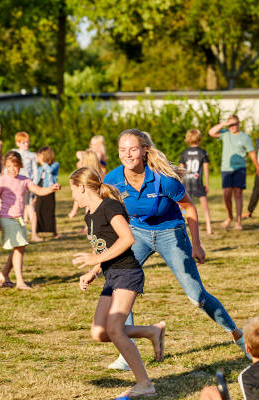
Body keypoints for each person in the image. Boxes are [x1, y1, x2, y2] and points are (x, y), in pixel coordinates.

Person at [104, 129, 250, 371]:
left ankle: (238, 335)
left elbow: (189, 209)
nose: (127, 154)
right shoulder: (113, 179)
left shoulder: (164, 179)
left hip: (170, 232)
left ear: (144, 150)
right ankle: (126, 350)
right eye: (122, 150)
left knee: (197, 297)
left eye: (132, 149)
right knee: (120, 287)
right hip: (137, 233)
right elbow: (110, 212)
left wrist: (196, 244)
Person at [70, 167, 165, 398]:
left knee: (114, 329)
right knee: (99, 332)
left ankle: (145, 384)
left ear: (82, 187)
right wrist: (94, 271)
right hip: (112, 275)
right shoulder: (89, 215)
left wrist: (95, 259)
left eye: (73, 190)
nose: (72, 196)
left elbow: (127, 238)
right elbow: (104, 248)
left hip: (127, 273)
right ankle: (152, 331)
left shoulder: (109, 207)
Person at [0, 151, 60, 289]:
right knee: (19, 248)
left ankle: (3, 275)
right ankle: (20, 282)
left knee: (18, 248)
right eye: (8, 166)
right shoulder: (2, 180)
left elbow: (39, 191)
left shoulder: (24, 180)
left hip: (19, 219)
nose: (11, 169)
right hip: (7, 218)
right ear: (4, 166)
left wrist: (51, 188)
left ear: (20, 165)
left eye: (14, 166)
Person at [208, 115, 258, 230]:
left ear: (239, 124)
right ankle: (229, 216)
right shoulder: (225, 134)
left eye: (234, 124)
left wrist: (257, 168)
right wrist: (225, 124)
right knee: (226, 195)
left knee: (238, 194)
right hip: (226, 169)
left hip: (240, 168)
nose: (232, 127)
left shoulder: (245, 137)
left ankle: (238, 221)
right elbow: (211, 132)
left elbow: (252, 153)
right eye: (230, 124)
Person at [178, 128, 212, 234]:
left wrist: (179, 183)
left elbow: (180, 170)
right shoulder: (202, 152)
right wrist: (207, 183)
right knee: (205, 207)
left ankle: (179, 226)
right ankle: (209, 228)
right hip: (198, 183)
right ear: (199, 138)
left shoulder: (184, 153)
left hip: (187, 183)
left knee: (181, 206)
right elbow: (206, 170)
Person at [11, 131, 40, 241]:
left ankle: (34, 234)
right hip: (15, 184)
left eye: (27, 142)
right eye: (23, 142)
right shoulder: (13, 153)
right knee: (17, 208)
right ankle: (18, 233)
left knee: (29, 207)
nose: (26, 144)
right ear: (18, 143)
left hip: (27, 184)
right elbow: (8, 167)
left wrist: (34, 185)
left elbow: (35, 171)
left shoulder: (32, 155)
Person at [68, 150, 105, 220]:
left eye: (81, 160)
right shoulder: (102, 174)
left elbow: (78, 194)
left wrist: (74, 211)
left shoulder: (85, 178)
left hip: (92, 205)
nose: (78, 162)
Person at [35, 146, 61, 239]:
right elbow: (37, 179)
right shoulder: (40, 167)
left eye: (40, 155)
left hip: (50, 189)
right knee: (37, 210)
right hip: (40, 188)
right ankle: (36, 231)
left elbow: (49, 171)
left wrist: (42, 162)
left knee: (50, 211)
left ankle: (54, 232)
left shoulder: (55, 165)